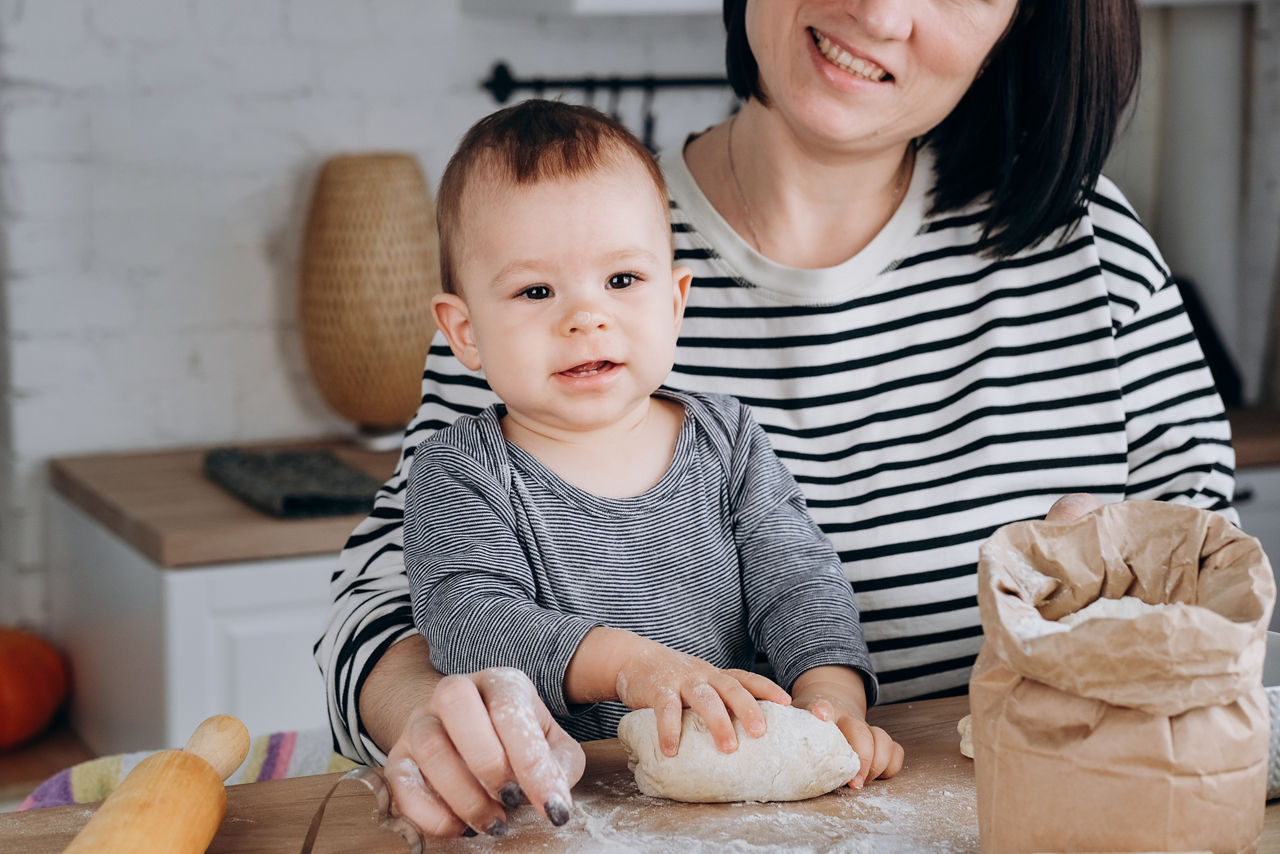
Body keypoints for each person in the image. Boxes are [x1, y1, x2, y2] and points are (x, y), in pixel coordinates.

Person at [314, 0, 1236, 839]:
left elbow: (1210, 577)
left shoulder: (1091, 249)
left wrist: (1120, 585)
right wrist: (429, 712)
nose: (879, 11)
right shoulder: (538, 240)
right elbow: (394, 604)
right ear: (465, 329)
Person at [403, 101, 896, 833]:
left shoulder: (727, 440)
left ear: (675, 301)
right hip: (568, 810)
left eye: (623, 281)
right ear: (465, 332)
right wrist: (632, 666)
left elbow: (799, 585)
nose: (585, 317)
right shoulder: (460, 473)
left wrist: (834, 704)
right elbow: (470, 624)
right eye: (536, 291)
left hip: (743, 796)